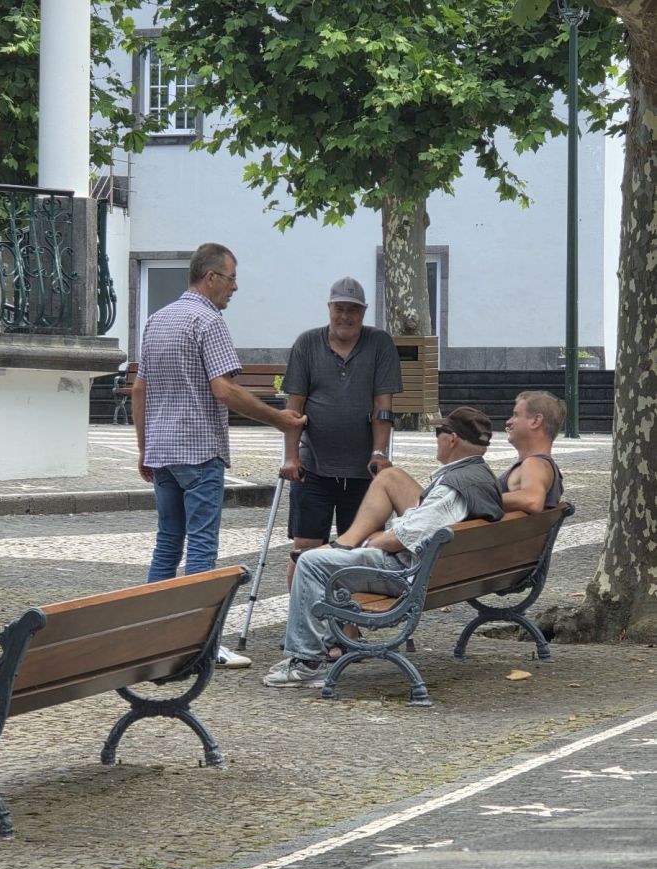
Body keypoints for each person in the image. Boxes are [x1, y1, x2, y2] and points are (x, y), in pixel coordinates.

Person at [132, 242, 306, 669]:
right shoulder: (207, 321)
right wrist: (280, 419)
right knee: (203, 549)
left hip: (163, 452)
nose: (235, 287)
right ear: (211, 278)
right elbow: (224, 391)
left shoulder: (157, 320)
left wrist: (144, 447)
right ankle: (200, 645)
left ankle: (155, 640)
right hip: (199, 449)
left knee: (167, 544)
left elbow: (140, 388)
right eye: (231, 279)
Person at [264, 406, 504, 689]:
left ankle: (306, 663)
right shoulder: (480, 475)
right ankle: (327, 642)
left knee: (312, 562)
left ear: (451, 440)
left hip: (406, 573)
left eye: (438, 433)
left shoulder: (453, 487)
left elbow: (402, 538)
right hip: (446, 573)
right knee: (327, 557)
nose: (435, 439)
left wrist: (370, 541)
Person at [280, 276, 402, 589]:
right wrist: (291, 457)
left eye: (353, 310)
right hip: (313, 467)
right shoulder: (307, 343)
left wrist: (379, 453)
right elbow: (294, 409)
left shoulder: (379, 344)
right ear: (329, 308)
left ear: (363, 312)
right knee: (304, 550)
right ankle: (300, 626)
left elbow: (383, 406)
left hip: (363, 471)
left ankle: (347, 628)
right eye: (339, 308)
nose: (345, 316)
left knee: (358, 550)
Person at [500, 391, 565, 513]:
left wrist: (480, 500)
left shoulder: (534, 463)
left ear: (535, 421)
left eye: (515, 415)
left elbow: (532, 500)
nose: (508, 422)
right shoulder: (542, 465)